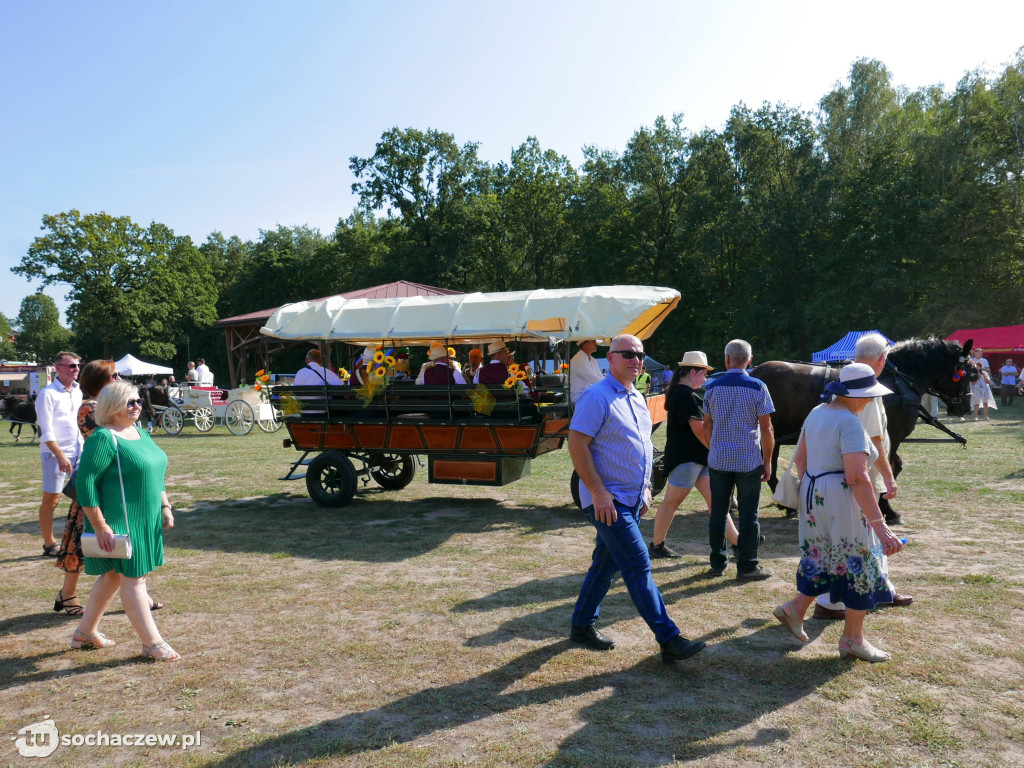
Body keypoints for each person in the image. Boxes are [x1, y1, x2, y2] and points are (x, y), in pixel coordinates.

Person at [568, 334, 706, 663]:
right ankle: (669, 639)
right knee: (638, 563)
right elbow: (577, 444)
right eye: (627, 354)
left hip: (631, 498)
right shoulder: (596, 396)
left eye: (640, 354)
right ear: (610, 358)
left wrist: (645, 489)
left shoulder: (638, 399)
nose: (636, 360)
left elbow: (642, 448)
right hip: (607, 500)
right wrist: (599, 494)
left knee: (606, 563)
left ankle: (581, 625)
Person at [771, 363, 905, 662]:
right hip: (841, 496)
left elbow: (802, 462)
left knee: (824, 554)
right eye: (869, 395)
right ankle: (852, 639)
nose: (871, 400)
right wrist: (880, 526)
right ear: (856, 394)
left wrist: (817, 495)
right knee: (859, 561)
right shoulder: (850, 424)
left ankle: (795, 609)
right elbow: (857, 477)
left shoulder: (817, 413)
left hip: (813, 492)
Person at [71, 381, 179, 661]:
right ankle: (151, 643)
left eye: (138, 401)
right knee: (133, 579)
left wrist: (165, 505)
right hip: (120, 521)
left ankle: (84, 633)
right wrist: (100, 525)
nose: (136, 406)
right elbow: (86, 484)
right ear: (112, 406)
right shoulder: (104, 438)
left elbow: (154, 475)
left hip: (146, 517)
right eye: (129, 402)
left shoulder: (142, 434)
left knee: (113, 577)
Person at [812, 333, 913, 620]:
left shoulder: (843, 388)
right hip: (857, 478)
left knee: (850, 541)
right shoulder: (865, 392)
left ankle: (876, 590)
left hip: (839, 479)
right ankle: (835, 603)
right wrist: (888, 476)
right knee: (863, 539)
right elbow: (875, 440)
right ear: (883, 359)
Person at [649, 351, 740, 558]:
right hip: (687, 459)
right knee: (672, 502)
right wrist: (715, 449)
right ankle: (656, 545)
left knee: (716, 502)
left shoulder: (684, 393)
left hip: (697, 459)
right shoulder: (685, 395)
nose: (706, 378)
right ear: (693, 372)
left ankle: (738, 542)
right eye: (704, 373)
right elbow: (699, 429)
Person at [702, 339, 775, 580]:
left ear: (726, 359)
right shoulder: (758, 387)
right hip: (748, 459)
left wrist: (714, 447)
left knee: (718, 512)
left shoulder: (712, 387)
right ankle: (748, 565)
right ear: (750, 360)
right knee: (749, 514)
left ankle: (717, 562)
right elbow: (767, 429)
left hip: (719, 459)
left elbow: (707, 424)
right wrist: (768, 460)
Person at [36, 351, 84, 557]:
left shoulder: (79, 391)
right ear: (58, 368)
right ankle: (49, 544)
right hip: (54, 454)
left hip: (79, 450)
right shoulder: (47, 394)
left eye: (78, 366)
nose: (76, 369)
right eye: (72, 366)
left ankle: (80, 537)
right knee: (52, 500)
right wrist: (60, 456)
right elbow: (45, 431)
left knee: (83, 495)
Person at [569, 339, 603, 404]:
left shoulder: (593, 360)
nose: (596, 344)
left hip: (586, 394)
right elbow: (594, 379)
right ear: (584, 344)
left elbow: (600, 377)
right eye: (593, 342)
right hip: (577, 397)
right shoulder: (578, 360)